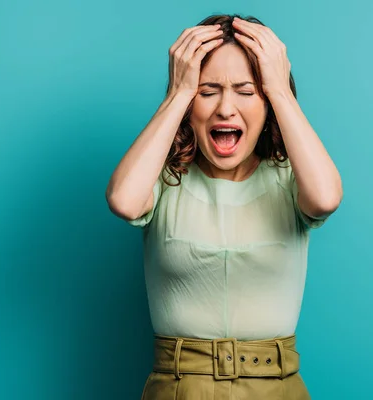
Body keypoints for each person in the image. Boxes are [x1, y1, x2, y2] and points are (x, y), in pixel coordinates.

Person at [106, 13, 342, 400]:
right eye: (207, 90)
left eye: (247, 92)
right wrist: (177, 93)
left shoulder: (288, 180)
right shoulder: (166, 180)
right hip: (178, 388)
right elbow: (123, 200)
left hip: (275, 388)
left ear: (266, 105)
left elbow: (326, 197)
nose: (226, 109)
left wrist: (280, 90)